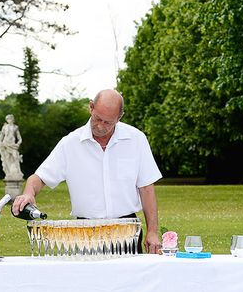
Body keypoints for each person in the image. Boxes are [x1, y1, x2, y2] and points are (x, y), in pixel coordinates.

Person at [12, 89, 162, 253]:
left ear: (120, 117)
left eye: (108, 122)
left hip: (127, 230)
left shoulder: (137, 139)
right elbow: (39, 178)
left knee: (132, 278)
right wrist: (28, 193)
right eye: (97, 118)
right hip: (85, 232)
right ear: (91, 107)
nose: (101, 126)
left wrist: (153, 231)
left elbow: (146, 188)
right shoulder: (70, 143)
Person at [0, 114, 24, 180]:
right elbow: (1, 136)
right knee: (7, 159)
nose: (9, 120)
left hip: (13, 145)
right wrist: (0, 142)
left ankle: (19, 172)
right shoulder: (4, 127)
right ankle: (9, 173)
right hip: (5, 144)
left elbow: (20, 138)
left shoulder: (15, 127)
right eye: (7, 119)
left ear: (13, 119)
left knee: (16, 157)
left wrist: (18, 144)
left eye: (10, 118)